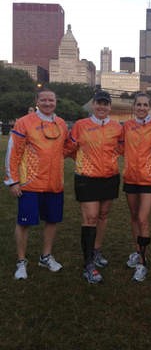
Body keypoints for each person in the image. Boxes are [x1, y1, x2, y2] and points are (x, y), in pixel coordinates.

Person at [4, 88, 68, 280]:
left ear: (56, 102)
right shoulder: (24, 122)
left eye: (51, 100)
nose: (48, 103)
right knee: (24, 223)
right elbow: (13, 152)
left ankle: (46, 256)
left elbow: (66, 148)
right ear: (37, 101)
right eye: (44, 100)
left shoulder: (61, 124)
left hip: (55, 184)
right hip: (30, 183)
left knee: (52, 220)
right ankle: (21, 261)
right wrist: (12, 181)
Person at [66, 91, 122, 284]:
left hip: (110, 177)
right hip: (87, 178)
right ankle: (88, 263)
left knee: (103, 215)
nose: (102, 107)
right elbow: (68, 148)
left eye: (106, 104)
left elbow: (121, 148)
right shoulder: (81, 125)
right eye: (99, 103)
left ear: (110, 107)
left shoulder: (116, 127)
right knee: (90, 217)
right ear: (93, 105)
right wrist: (83, 161)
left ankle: (96, 251)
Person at [122, 92, 151, 282]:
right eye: (139, 105)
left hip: (148, 180)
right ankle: (137, 251)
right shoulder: (127, 126)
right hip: (130, 178)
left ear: (150, 107)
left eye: (145, 105)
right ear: (134, 107)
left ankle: (142, 262)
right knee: (134, 218)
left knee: (142, 218)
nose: (142, 108)